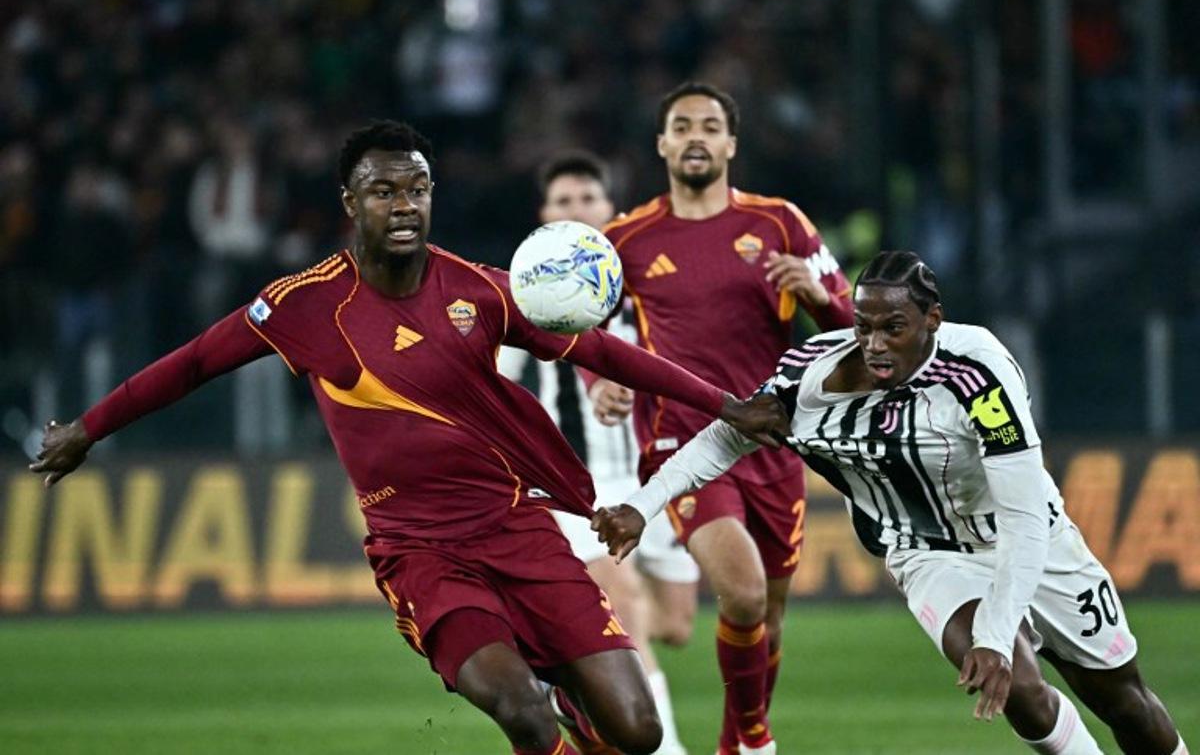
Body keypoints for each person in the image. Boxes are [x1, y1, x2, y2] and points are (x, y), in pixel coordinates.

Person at [30, 120, 785, 755]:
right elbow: (194, 363)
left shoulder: (480, 289)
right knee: (520, 707)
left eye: (417, 189)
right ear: (349, 202)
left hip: (521, 532)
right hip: (422, 554)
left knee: (640, 734)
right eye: (384, 190)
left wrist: (726, 403)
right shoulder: (304, 305)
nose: (404, 205)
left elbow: (602, 350)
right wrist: (90, 430)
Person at [596, 251, 1190, 755]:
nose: (875, 345)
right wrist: (642, 507)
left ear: (933, 319)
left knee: (1125, 702)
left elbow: (1025, 516)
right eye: (863, 326)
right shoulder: (809, 376)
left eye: (894, 328)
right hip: (928, 555)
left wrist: (1000, 624)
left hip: (1031, 539)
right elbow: (729, 434)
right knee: (1022, 693)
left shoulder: (977, 374)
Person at [592, 81, 854, 755]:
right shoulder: (628, 238)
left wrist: (819, 297)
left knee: (767, 616)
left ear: (731, 143)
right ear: (662, 144)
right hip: (683, 441)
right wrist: (600, 384)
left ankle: (732, 744)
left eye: (710, 125)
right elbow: (586, 332)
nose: (696, 136)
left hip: (774, 439)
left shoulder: (780, 223)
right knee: (739, 595)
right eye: (682, 126)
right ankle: (758, 741)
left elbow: (857, 330)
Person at [498, 150, 697, 755]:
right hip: (574, 488)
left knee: (674, 624)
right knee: (627, 609)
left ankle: (564, 677)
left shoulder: (648, 293)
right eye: (563, 201)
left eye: (587, 198)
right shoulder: (526, 297)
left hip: (652, 478)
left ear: (611, 211)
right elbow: (499, 386)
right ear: (545, 215)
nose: (576, 209)